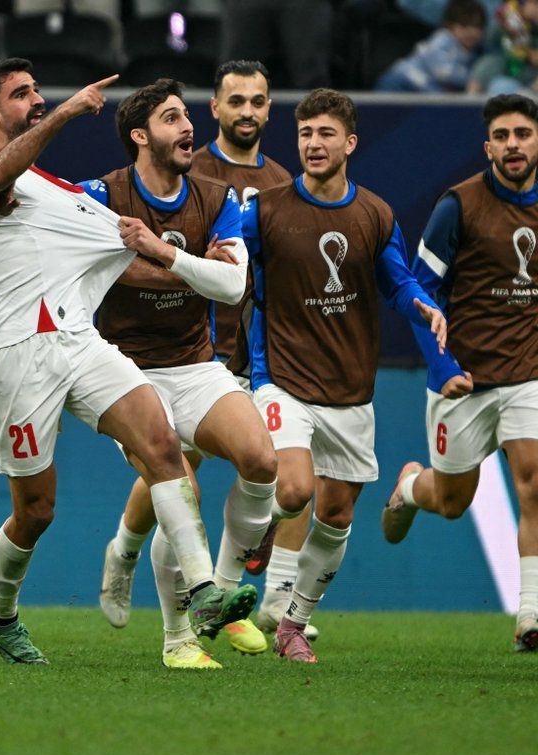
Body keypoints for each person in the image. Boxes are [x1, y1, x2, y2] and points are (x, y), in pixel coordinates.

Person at [0, 58, 257, 666]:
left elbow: (132, 255)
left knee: (162, 445)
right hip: (16, 355)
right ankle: (1, 614)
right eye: (20, 94)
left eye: (39, 91)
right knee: (35, 511)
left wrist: (187, 266)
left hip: (80, 341)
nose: (36, 100)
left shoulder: (59, 191)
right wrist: (70, 111)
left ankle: (203, 593)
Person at [67, 77, 277, 668]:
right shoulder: (101, 195)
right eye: (171, 118)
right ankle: (177, 639)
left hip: (196, 365)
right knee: (182, 487)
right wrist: (191, 267)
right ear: (140, 136)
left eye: (187, 116)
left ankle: (220, 591)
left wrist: (160, 252)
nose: (188, 128)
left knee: (262, 461)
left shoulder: (217, 197)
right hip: (125, 374)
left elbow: (231, 286)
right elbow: (106, 270)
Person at [240, 88, 448, 662]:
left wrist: (423, 306)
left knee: (335, 516)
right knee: (295, 489)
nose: (313, 143)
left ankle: (292, 624)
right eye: (305, 133)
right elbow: (228, 267)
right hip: (281, 376)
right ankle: (265, 527)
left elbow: (398, 284)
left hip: (351, 389)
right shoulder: (263, 210)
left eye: (326, 133)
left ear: (350, 143)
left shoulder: (375, 214)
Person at [381, 93, 538, 654]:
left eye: (523, 133)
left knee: (533, 481)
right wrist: (444, 366)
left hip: (527, 375)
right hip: (464, 378)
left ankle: (530, 617)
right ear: (487, 146)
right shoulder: (459, 206)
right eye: (502, 136)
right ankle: (409, 487)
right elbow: (419, 295)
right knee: (452, 502)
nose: (513, 144)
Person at [190, 60, 320, 641]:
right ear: (215, 107)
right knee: (177, 476)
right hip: (191, 350)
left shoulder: (283, 183)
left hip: (257, 355)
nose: (247, 111)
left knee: (277, 470)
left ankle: (255, 603)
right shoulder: (192, 169)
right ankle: (125, 549)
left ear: (270, 109)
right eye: (236, 100)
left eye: (258, 101)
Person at [376, 0, 486, 93]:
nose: (471, 32)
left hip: (423, 89)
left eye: (477, 27)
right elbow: (443, 72)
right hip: (401, 81)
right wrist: (472, 80)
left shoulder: (476, 51)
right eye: (464, 25)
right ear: (450, 26)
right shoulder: (442, 41)